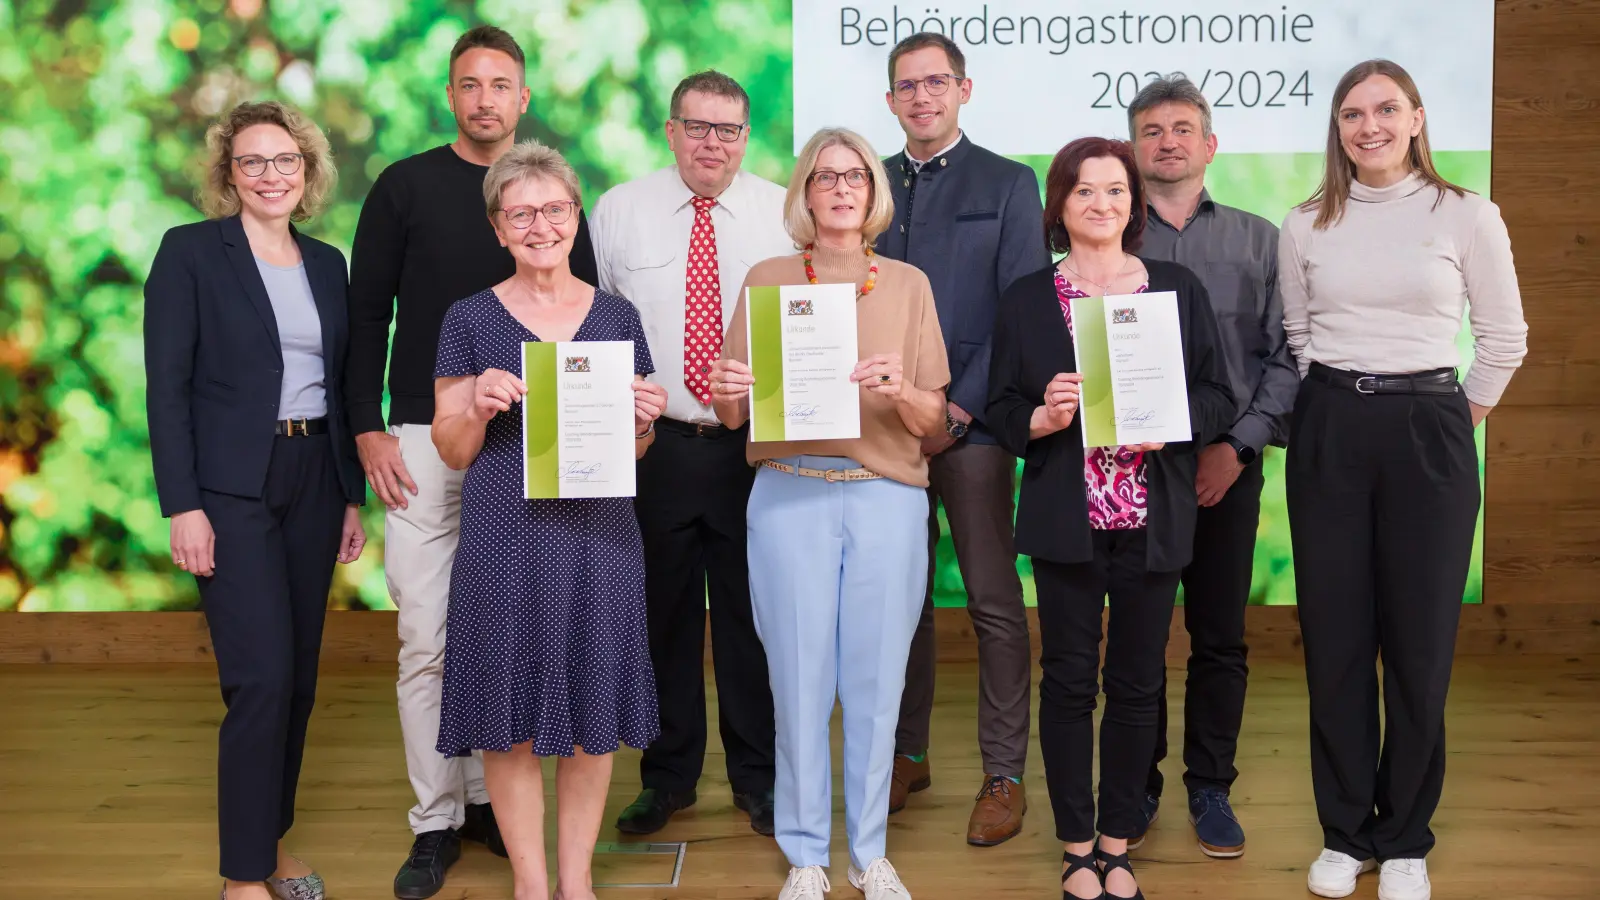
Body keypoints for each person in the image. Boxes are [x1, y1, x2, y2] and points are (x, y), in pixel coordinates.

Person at [344, 25, 599, 897]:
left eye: (501, 84)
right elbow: (365, 314)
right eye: (469, 83)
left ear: (523, 98)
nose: (485, 97)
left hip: (533, 445)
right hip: (423, 436)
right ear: (449, 96)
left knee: (512, 633)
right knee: (426, 636)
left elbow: (587, 322)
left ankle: (498, 804)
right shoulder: (403, 186)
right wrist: (368, 427)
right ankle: (436, 819)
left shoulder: (551, 196)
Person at [1283, 60, 1527, 900]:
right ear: (1337, 129)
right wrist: (1346, 410)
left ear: (1418, 119)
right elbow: (1298, 333)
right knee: (1338, 643)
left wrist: (1448, 424)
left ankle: (1407, 836)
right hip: (1330, 427)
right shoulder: (1306, 222)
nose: (1369, 126)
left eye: (1387, 109)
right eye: (1352, 113)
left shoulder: (1468, 215)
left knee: (1419, 650)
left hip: (1431, 427)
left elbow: (1503, 338)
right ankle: (1345, 834)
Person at [986, 137, 1235, 900]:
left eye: (1117, 191)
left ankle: (1117, 842)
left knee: (1135, 685)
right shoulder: (1029, 297)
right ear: (1060, 206)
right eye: (1086, 191)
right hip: (1069, 522)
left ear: (1134, 203)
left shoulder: (1175, 288)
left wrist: (1176, 421)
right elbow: (998, 414)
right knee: (1066, 683)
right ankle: (1073, 845)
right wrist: (1042, 416)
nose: (1103, 204)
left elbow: (1221, 395)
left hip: (1152, 521)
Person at [708, 126, 948, 900]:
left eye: (855, 176)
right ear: (805, 193)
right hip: (789, 494)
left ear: (875, 192)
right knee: (799, 679)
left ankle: (869, 853)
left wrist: (902, 392)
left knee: (877, 683)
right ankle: (807, 856)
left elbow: (935, 422)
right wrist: (725, 386)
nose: (841, 188)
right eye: (824, 176)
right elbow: (731, 410)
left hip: (885, 497)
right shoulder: (769, 277)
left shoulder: (908, 283)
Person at [430, 139, 668, 900]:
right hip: (504, 541)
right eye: (521, 213)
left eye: (556, 209)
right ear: (498, 227)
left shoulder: (618, 317)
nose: (541, 225)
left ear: (576, 218)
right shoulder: (468, 319)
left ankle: (577, 884)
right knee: (508, 722)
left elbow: (639, 444)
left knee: (594, 713)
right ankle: (532, 886)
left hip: (600, 540)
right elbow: (454, 447)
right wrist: (476, 403)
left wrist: (643, 417)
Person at [144, 100, 367, 900]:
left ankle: (269, 846)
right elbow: (166, 389)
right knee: (261, 677)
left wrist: (349, 495)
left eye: (285, 161)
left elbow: (344, 389)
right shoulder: (191, 254)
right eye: (252, 162)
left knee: (300, 678)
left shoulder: (327, 264)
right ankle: (243, 878)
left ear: (307, 171)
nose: (270, 176)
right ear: (228, 173)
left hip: (314, 479)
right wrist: (183, 505)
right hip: (229, 487)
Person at [589, 70, 790, 837]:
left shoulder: (781, 213)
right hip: (656, 448)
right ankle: (667, 778)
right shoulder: (618, 212)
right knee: (662, 618)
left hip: (753, 448)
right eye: (697, 126)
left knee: (749, 617)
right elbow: (596, 324)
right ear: (670, 130)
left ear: (746, 137)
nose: (713, 142)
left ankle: (758, 778)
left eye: (728, 129)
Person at [875, 31, 1050, 846]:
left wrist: (958, 409)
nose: (921, 97)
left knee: (991, 601)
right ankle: (907, 754)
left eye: (935, 83)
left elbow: (1020, 308)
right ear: (890, 100)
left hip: (973, 426)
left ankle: (1004, 773)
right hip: (883, 430)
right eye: (906, 86)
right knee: (898, 602)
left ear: (963, 90)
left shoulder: (1010, 183)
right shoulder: (863, 184)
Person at [1125, 76, 1298, 858]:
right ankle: (1137, 785)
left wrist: (1239, 446)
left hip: (1230, 464)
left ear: (1210, 144)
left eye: (1183, 128)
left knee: (1219, 635)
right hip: (1132, 470)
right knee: (1136, 634)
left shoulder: (1263, 240)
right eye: (1153, 129)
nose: (1168, 141)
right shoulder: (1108, 239)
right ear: (1134, 147)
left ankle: (1210, 787)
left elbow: (1289, 356)